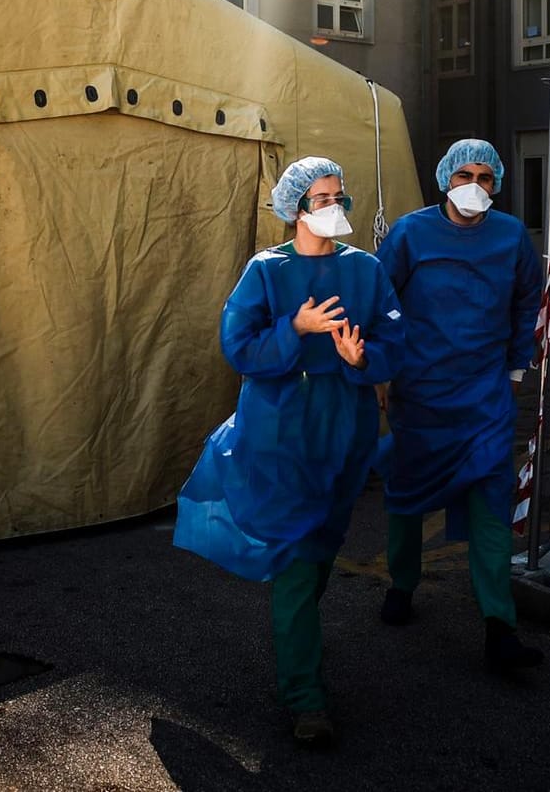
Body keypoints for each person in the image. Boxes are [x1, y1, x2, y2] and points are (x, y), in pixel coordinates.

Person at [174, 156, 404, 747]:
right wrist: (294, 329)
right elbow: (239, 348)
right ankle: (305, 697)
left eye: (339, 197)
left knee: (322, 547)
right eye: (321, 198)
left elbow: (393, 343)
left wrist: (364, 360)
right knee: (299, 562)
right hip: (280, 432)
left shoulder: (368, 271)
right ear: (295, 207)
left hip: (345, 429)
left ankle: (294, 637)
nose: (334, 208)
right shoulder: (266, 271)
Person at [374, 138, 545, 671]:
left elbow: (525, 305)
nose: (474, 186)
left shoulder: (512, 236)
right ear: (445, 179)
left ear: (498, 184)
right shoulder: (410, 233)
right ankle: (403, 582)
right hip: (420, 392)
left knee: (492, 504)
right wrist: (384, 367)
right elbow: (381, 301)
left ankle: (499, 626)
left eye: (486, 178)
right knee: (406, 494)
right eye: (463, 175)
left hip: (485, 394)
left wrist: (516, 366)